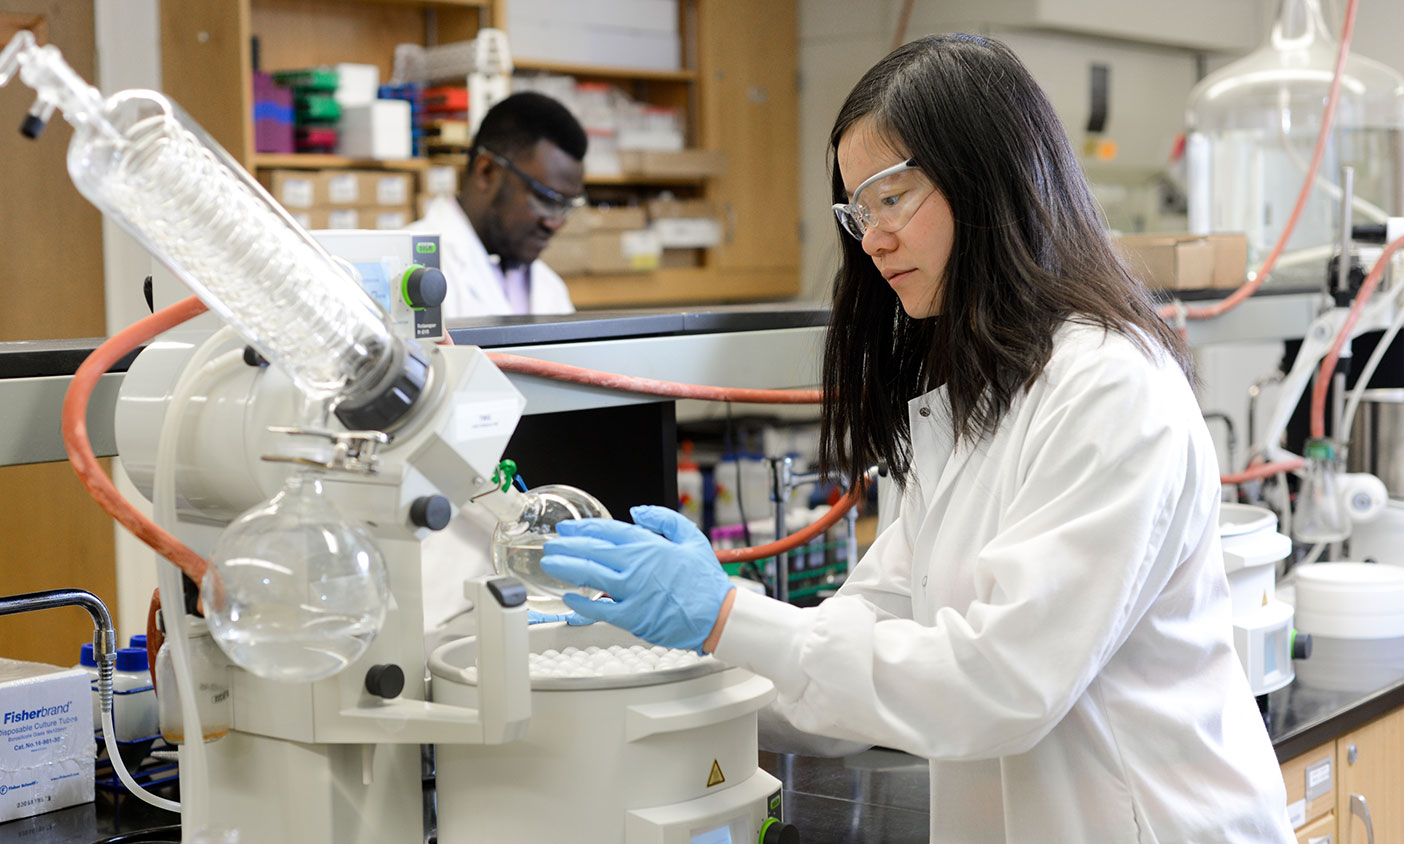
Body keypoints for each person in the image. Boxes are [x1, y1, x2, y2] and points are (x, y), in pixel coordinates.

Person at [536, 34, 1291, 842]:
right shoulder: (973, 408)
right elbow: (858, 662)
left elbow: (1001, 686)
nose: (871, 239)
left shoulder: (1109, 387)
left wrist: (723, 615)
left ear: (990, 178)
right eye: (857, 210)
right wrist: (673, 645)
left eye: (891, 198)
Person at [407, 92, 587, 319]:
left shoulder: (550, 289)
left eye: (566, 206)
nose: (555, 223)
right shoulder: (408, 267)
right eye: (545, 199)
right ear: (487, 172)